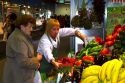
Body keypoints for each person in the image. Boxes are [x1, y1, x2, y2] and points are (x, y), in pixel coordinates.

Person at [37, 18, 87, 82]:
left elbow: (69, 31)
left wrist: (80, 35)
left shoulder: (57, 33)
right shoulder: (45, 40)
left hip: (52, 67)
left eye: (58, 29)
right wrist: (53, 62)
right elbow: (47, 53)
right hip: (43, 70)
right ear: (48, 29)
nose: (56, 31)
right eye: (54, 29)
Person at [3, 14, 42, 83]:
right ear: (22, 27)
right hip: (18, 76)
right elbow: (23, 61)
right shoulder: (18, 39)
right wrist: (37, 59)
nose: (31, 29)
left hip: (19, 74)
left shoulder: (21, 35)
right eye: (30, 27)